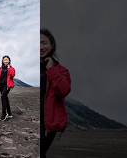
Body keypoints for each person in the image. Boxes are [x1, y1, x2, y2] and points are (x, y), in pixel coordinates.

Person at [41, 28, 71, 157]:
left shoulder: (61, 71)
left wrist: (52, 70)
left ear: (51, 45)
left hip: (48, 126)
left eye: (44, 43)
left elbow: (64, 91)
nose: (40, 47)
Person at [0, 55, 16, 121]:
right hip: (1, 85)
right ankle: (9, 114)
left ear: (9, 61)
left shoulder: (12, 68)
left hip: (7, 85)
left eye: (7, 59)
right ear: (2, 61)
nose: (6, 61)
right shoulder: (0, 68)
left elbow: (12, 75)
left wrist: (9, 68)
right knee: (5, 98)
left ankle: (4, 114)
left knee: (3, 96)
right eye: (4, 60)